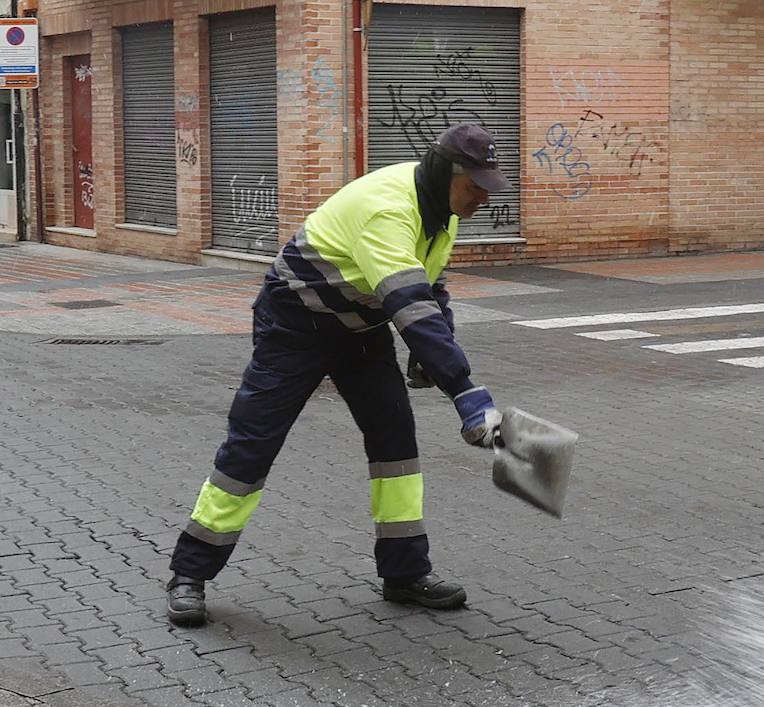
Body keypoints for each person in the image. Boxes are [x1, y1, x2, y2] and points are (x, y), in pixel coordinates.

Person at [165, 124, 511, 628]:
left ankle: (405, 572)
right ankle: (188, 574)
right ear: (444, 174)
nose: (483, 197)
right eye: (474, 185)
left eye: (488, 187)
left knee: (396, 441)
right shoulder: (388, 210)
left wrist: (430, 353)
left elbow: (431, 288)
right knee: (252, 445)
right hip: (294, 323)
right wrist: (464, 390)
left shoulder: (445, 214)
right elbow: (410, 303)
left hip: (360, 329)